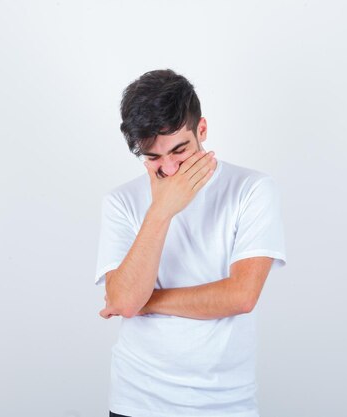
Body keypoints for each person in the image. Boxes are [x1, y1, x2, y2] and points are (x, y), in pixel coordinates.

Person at [94, 68, 287, 417]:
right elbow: (122, 300)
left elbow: (241, 297)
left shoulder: (252, 190)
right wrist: (162, 211)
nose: (169, 169)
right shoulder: (120, 202)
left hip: (224, 405)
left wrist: (146, 303)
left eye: (179, 150)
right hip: (137, 401)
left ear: (202, 130)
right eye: (153, 157)